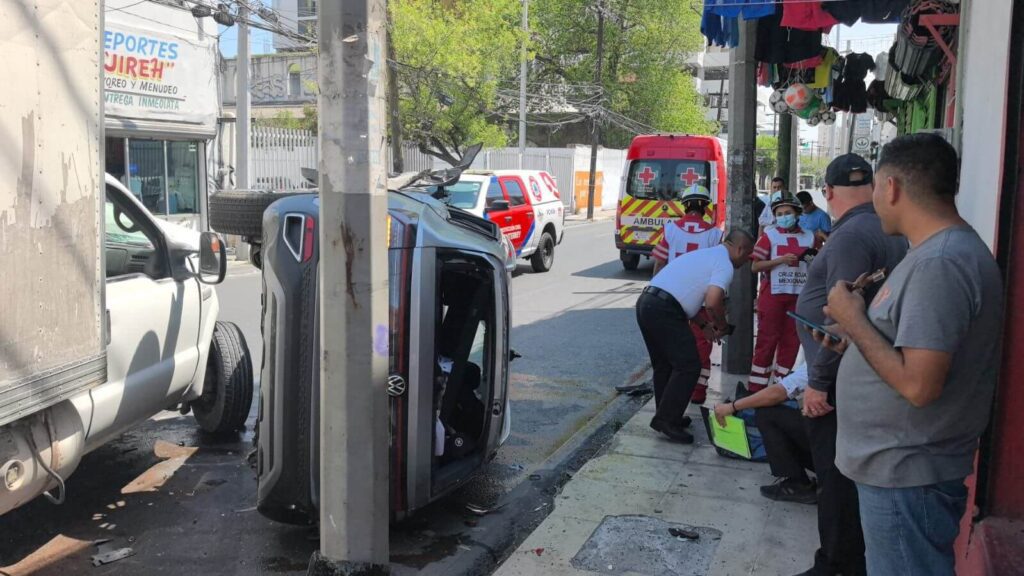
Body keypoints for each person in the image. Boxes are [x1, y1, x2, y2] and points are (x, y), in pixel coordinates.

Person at [819, 134, 1003, 576]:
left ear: (892, 187)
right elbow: (908, 349)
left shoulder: (941, 263)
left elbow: (920, 386)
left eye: (877, 188)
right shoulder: (933, 255)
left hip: (907, 474)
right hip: (899, 469)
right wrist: (854, 339)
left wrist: (854, 317)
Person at [793, 153, 908, 576]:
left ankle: (836, 563)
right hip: (862, 371)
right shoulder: (882, 226)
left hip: (840, 376)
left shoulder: (850, 236)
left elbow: (840, 315)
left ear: (827, 193)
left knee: (835, 474)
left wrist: (819, 381)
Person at [637, 230, 755, 444]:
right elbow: (712, 301)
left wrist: (703, 325)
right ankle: (666, 419)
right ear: (739, 249)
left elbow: (686, 294)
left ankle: (665, 415)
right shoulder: (725, 265)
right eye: (748, 256)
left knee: (665, 365)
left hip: (647, 303)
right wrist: (721, 325)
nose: (747, 261)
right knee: (689, 365)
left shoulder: (707, 255)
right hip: (664, 310)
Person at [650, 184, 724, 404]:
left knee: (673, 346)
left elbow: (660, 262)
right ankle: (698, 393)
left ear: (684, 205)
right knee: (702, 345)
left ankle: (675, 391)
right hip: (702, 299)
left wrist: (655, 288)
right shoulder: (714, 234)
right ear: (705, 207)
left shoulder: (671, 229)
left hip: (673, 298)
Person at [714, 363, 817, 504]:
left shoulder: (823, 359)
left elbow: (778, 393)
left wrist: (733, 406)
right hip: (844, 452)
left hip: (833, 456)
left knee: (767, 414)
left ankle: (798, 484)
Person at [747, 191, 816, 392]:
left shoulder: (810, 237)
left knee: (791, 342)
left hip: (798, 297)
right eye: (779, 213)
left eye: (787, 212)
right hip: (773, 296)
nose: (783, 217)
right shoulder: (769, 235)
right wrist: (780, 260)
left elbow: (817, 263)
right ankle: (756, 390)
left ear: (797, 213)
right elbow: (755, 266)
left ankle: (781, 388)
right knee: (766, 341)